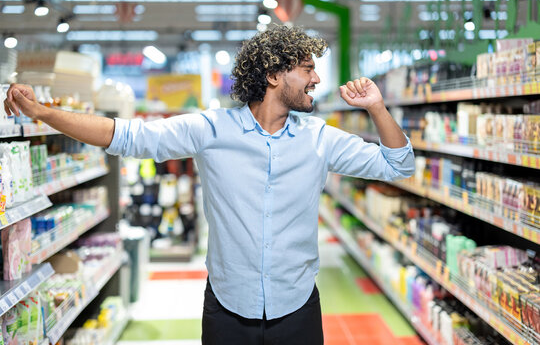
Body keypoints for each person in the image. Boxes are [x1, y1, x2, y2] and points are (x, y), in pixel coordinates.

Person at [5, 25, 414, 345]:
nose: (316, 78)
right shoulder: (212, 129)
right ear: (273, 74)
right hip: (227, 311)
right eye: (307, 68)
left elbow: (399, 165)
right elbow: (127, 136)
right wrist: (42, 111)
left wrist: (376, 106)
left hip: (298, 310)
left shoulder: (320, 138)